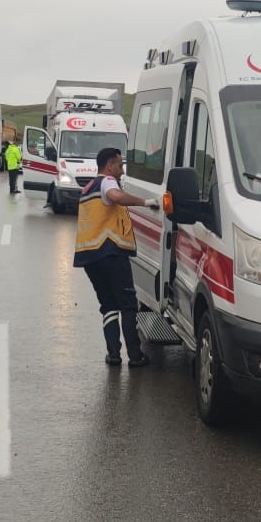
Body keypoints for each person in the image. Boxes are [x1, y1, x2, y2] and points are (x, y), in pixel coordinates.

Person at [73, 147, 159, 367]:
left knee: (109, 306)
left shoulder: (87, 189)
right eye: (119, 165)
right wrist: (145, 202)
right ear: (109, 165)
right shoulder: (107, 182)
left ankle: (113, 354)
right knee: (128, 305)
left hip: (90, 257)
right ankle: (135, 356)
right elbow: (115, 196)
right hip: (110, 253)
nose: (122, 170)